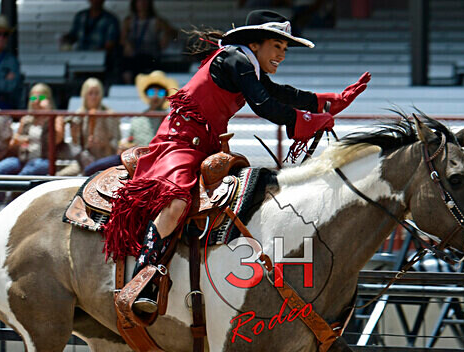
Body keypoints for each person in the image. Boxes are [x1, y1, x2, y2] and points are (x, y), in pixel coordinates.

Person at [104, 10, 371, 314]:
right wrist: (311, 117)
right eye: (277, 46)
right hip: (179, 140)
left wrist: (331, 101)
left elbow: (282, 94)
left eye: (285, 49)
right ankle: (144, 273)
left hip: (206, 143)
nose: (282, 55)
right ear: (255, 45)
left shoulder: (246, 65)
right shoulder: (235, 59)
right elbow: (265, 105)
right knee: (176, 201)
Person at [0, 83, 65, 215]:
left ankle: (10, 208)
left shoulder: (55, 118)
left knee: (24, 175)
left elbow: (58, 139)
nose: (37, 102)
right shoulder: (26, 120)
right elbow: (13, 144)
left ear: (49, 100)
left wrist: (48, 113)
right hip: (22, 158)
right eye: (33, 99)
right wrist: (17, 141)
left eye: (41, 98)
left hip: (44, 160)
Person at [83, 70, 176, 176]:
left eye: (160, 93)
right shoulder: (137, 119)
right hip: (135, 158)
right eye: (151, 92)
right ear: (146, 94)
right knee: (91, 169)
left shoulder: (170, 119)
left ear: (165, 96)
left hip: (160, 159)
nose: (155, 96)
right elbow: (130, 140)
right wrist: (125, 146)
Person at [59, 77, 121, 176]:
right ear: (84, 95)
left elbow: (115, 142)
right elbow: (75, 147)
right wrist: (75, 134)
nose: (93, 97)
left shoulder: (110, 115)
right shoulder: (78, 115)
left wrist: (103, 143)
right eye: (90, 93)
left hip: (104, 160)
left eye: (96, 93)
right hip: (83, 161)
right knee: (60, 176)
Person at [61, 0, 121, 83]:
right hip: (80, 62)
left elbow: (110, 44)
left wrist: (95, 55)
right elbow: (73, 36)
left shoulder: (110, 19)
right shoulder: (80, 16)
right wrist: (65, 39)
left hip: (101, 65)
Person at [120, 0, 177, 84]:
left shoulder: (156, 21)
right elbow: (121, 40)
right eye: (139, 1)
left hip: (150, 57)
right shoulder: (129, 21)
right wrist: (126, 44)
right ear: (134, 3)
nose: (142, 3)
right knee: (126, 68)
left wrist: (166, 35)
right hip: (133, 58)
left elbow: (174, 33)